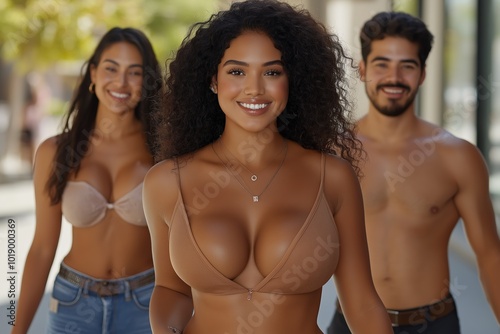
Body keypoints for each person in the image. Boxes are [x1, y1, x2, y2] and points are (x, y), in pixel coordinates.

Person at [143, 1, 393, 333]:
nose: (254, 88)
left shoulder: (331, 178)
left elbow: (361, 303)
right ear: (213, 80)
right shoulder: (167, 181)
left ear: (293, 81)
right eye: (236, 71)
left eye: (272, 72)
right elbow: (171, 289)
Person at [327, 11, 500, 334]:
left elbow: (491, 256)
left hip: (433, 324)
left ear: (421, 75)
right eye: (381, 64)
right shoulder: (332, 154)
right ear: (363, 70)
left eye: (407, 65)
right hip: (351, 323)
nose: (393, 77)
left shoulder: (457, 157)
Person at [12, 27, 162, 334]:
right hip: (73, 303)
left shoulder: (162, 151)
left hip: (145, 304)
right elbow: (42, 248)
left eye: (134, 73)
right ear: (93, 73)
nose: (120, 83)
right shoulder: (57, 152)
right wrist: (18, 330)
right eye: (111, 68)